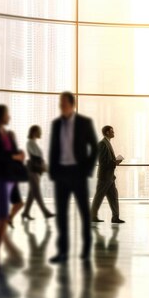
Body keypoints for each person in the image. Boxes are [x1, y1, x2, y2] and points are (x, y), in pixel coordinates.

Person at [48, 91, 98, 264]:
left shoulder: (84, 122)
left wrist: (87, 170)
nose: (61, 106)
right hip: (61, 174)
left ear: (72, 104)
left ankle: (86, 249)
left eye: (64, 103)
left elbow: (94, 148)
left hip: (78, 174)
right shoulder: (55, 124)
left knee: (84, 212)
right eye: (60, 104)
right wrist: (53, 172)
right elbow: (53, 149)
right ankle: (63, 252)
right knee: (61, 215)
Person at [0, 105, 24, 266]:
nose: (10, 116)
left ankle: (3, 248)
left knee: (2, 214)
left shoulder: (5, 134)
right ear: (0, 116)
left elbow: (12, 151)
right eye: (7, 114)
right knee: (2, 215)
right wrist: (15, 156)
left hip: (8, 178)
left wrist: (18, 155)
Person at [91, 125, 125, 224]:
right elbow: (102, 161)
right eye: (112, 131)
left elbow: (107, 160)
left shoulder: (107, 143)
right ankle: (93, 216)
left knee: (114, 196)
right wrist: (115, 162)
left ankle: (115, 217)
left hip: (110, 176)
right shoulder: (102, 144)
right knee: (99, 196)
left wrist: (115, 162)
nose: (113, 133)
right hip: (104, 176)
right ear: (107, 132)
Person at [21, 125, 54, 221]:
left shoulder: (33, 143)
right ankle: (45, 212)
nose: (41, 133)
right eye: (39, 131)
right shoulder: (30, 143)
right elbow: (36, 157)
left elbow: (39, 158)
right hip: (33, 171)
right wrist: (43, 165)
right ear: (34, 132)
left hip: (36, 170)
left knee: (32, 193)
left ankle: (25, 213)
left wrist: (44, 166)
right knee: (37, 193)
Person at [6, 130, 25, 227]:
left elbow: (21, 158)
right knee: (19, 202)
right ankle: (8, 218)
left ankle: (9, 218)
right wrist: (17, 156)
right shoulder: (7, 149)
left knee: (20, 203)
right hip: (9, 179)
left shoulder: (13, 149)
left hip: (13, 178)